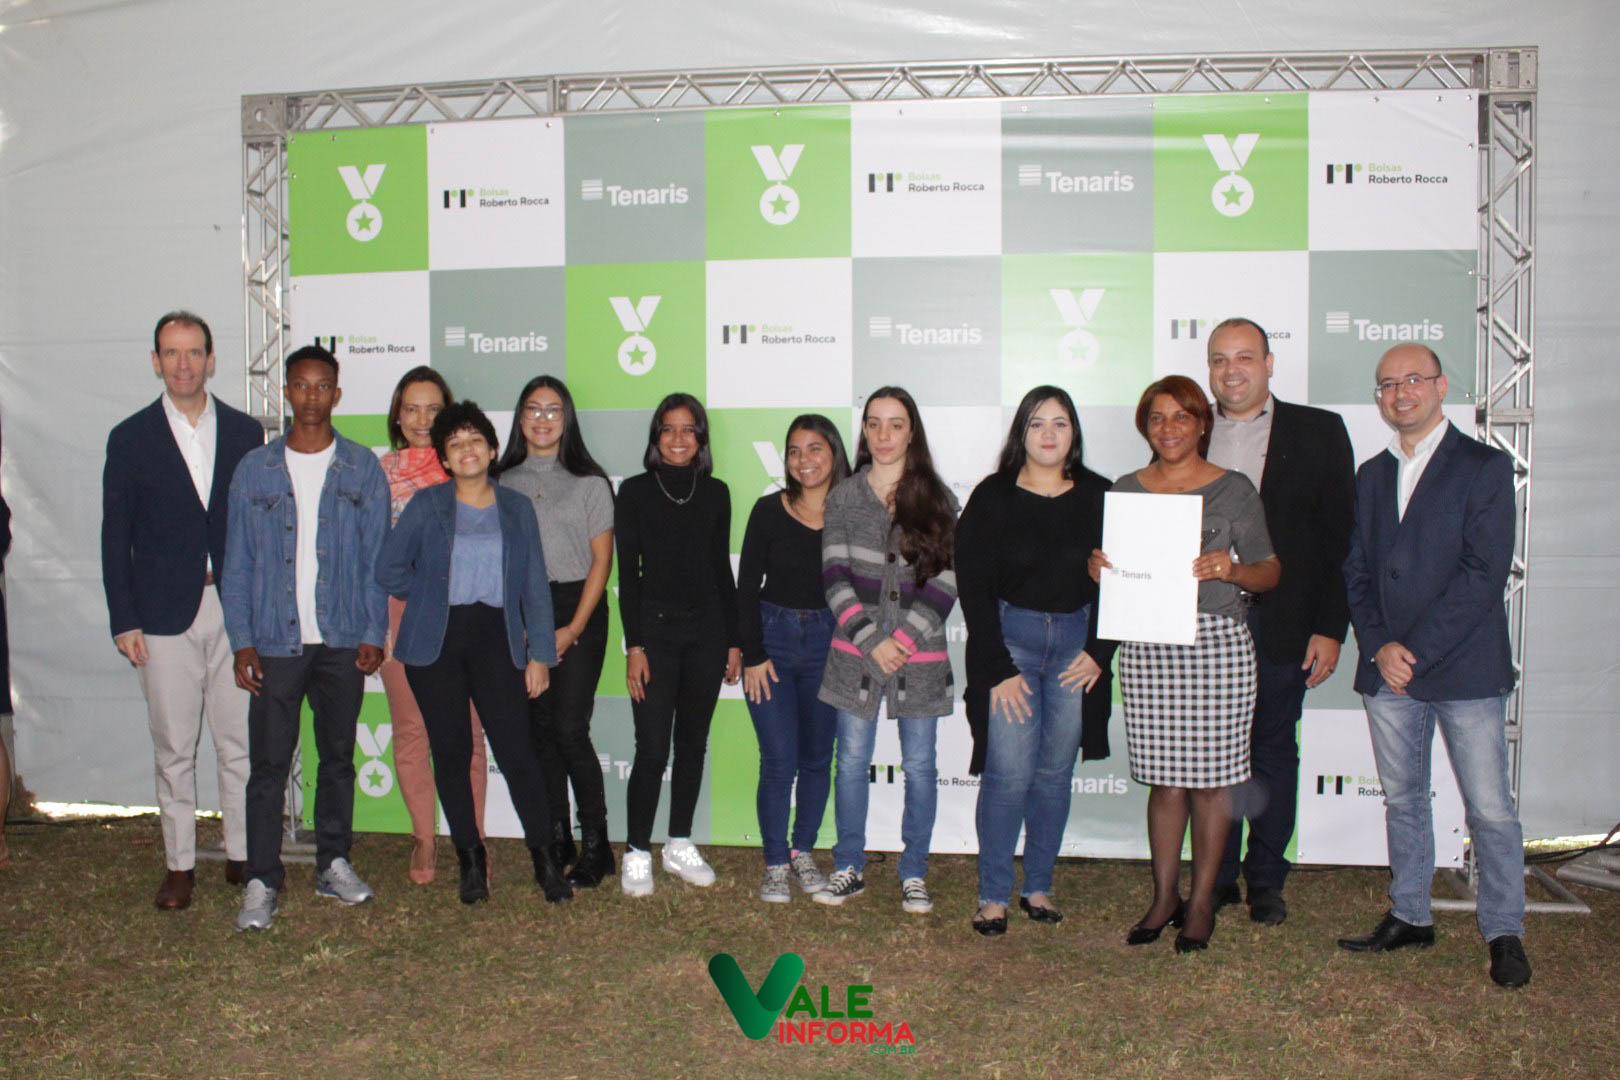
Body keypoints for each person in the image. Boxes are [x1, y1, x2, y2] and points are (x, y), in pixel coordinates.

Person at [1337, 344, 1530, 990]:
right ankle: (1410, 915)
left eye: (1413, 379)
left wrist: (1411, 652)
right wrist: (1378, 646)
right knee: (1403, 800)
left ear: (1442, 387)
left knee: (1490, 808)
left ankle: (1503, 930)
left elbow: (1483, 573)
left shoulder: (1484, 467)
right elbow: (1357, 571)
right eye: (1388, 384)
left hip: (1463, 667)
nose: (1401, 393)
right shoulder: (1371, 475)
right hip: (1387, 669)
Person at [1090, 375, 1279, 952]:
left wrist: (1233, 570)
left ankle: (1201, 904)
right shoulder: (1126, 490)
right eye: (1157, 418)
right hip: (1148, 647)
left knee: (1213, 784)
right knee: (1166, 781)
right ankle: (1163, 897)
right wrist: (1099, 568)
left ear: (1202, 425)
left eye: (1181, 417)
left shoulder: (1234, 489)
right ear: (1145, 428)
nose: (1168, 428)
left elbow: (1270, 571)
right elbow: (1118, 573)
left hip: (1218, 644)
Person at [101, 311, 265, 910]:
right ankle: (180, 866)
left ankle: (243, 855)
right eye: (171, 353)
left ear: (211, 359)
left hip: (236, 609)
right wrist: (124, 618)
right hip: (162, 615)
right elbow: (114, 535)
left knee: (237, 740)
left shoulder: (246, 432)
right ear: (155, 362)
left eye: (194, 352)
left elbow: (261, 526)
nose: (183, 364)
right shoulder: (130, 437)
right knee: (174, 747)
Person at [223, 345, 388, 932]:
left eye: (322, 386)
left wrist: (372, 631)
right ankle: (262, 879)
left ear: (336, 394)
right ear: (286, 391)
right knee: (268, 765)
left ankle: (333, 862)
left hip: (341, 639)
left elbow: (376, 561)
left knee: (338, 758)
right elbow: (237, 563)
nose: (311, 396)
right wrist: (242, 640)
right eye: (300, 385)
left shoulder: (362, 467)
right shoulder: (255, 470)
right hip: (274, 641)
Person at [378, 401, 570, 905]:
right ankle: (469, 860)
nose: (467, 450)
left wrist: (540, 655)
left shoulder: (516, 508)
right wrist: (427, 594)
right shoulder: (427, 505)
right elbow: (388, 568)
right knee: (452, 752)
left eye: (475, 440)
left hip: (496, 640)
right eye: (455, 443)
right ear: (444, 457)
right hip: (436, 645)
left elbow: (534, 586)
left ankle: (545, 859)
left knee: (517, 752)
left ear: (491, 449)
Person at [1203, 317, 1355, 926]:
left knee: (1270, 749)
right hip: (1205, 625)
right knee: (1211, 753)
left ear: (1270, 363)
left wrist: (1331, 627)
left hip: (1284, 621)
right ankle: (1213, 876)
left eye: (1244, 357)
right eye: (1219, 359)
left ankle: (1265, 877)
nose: (1231, 370)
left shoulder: (1319, 431)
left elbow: (1341, 540)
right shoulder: (1187, 431)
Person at [957, 386, 1115, 936]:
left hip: (1076, 648)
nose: (1049, 434)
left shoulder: (1102, 495)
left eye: (1060, 423)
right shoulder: (993, 495)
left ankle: (1039, 885)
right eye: (1037, 423)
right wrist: (997, 666)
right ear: (1021, 431)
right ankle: (993, 895)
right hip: (1012, 644)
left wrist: (1099, 652)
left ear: (1075, 432)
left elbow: (1124, 582)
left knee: (1053, 774)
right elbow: (973, 586)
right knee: (1008, 775)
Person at [814, 386, 958, 915]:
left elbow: (947, 580)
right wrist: (873, 640)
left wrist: (904, 640)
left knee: (920, 766)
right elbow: (834, 577)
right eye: (874, 423)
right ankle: (849, 866)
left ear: (911, 432)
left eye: (896, 424)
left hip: (920, 659)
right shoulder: (843, 497)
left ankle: (914, 871)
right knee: (851, 762)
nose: (883, 435)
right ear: (864, 430)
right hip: (856, 655)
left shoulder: (938, 499)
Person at [614, 393, 741, 896]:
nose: (678, 438)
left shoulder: (717, 493)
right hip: (655, 635)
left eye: (689, 429)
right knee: (651, 748)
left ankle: (679, 842)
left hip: (707, 633)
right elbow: (628, 576)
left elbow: (721, 571)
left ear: (701, 438)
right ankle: (637, 850)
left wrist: (734, 642)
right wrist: (635, 647)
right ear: (656, 436)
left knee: (692, 743)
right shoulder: (634, 492)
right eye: (668, 429)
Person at [497, 376, 617, 888]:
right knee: (540, 732)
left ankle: (597, 846)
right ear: (520, 418)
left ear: (567, 419)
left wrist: (572, 629)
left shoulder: (591, 482)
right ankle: (557, 836)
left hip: (578, 607)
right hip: (524, 608)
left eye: (553, 410)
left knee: (570, 728)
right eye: (533, 409)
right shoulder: (500, 481)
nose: (542, 419)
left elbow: (601, 562)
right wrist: (524, 625)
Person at [377, 367, 489, 885]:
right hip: (402, 615)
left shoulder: (466, 467)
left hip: (465, 616)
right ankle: (424, 836)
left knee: (468, 732)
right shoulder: (377, 474)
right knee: (411, 729)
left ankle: (474, 841)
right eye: (411, 408)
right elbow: (372, 557)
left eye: (433, 409)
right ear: (397, 416)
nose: (422, 419)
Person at [738, 414, 851, 903]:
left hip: (832, 643)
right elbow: (745, 587)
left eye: (815, 448)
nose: (803, 460)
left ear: (834, 453)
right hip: (773, 642)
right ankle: (775, 863)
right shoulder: (768, 510)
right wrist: (753, 654)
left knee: (817, 758)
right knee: (779, 759)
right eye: (794, 450)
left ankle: (803, 851)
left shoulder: (853, 514)